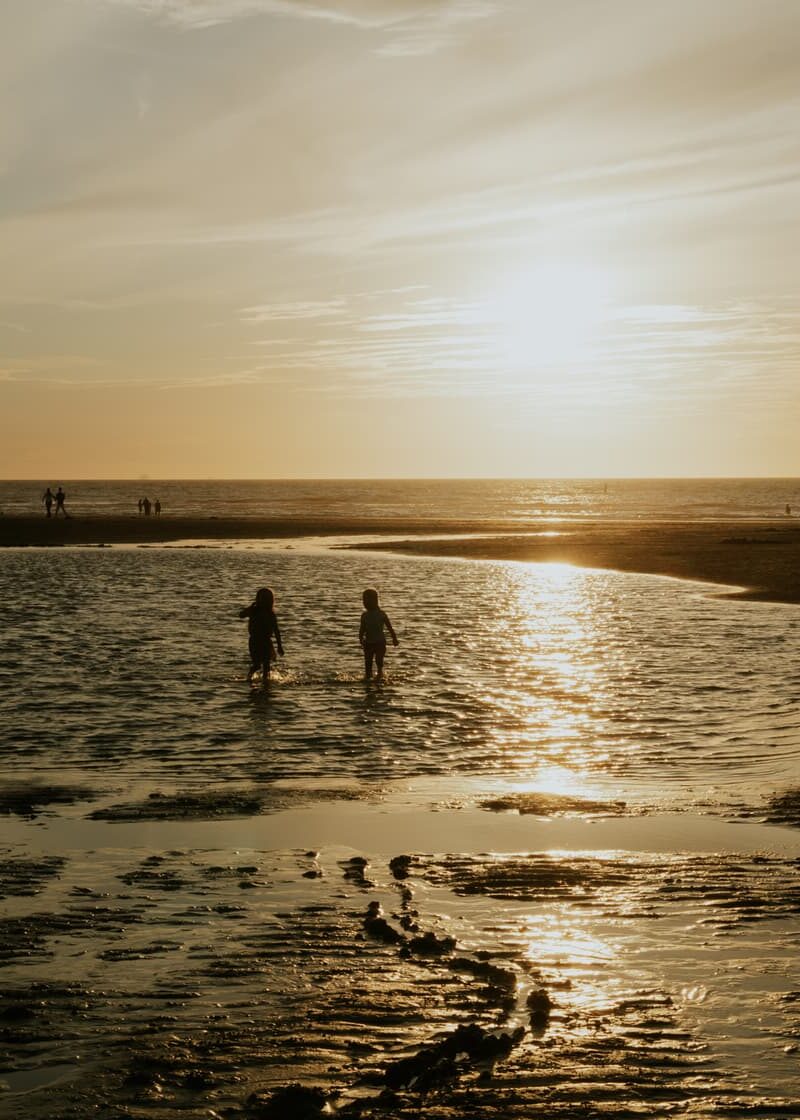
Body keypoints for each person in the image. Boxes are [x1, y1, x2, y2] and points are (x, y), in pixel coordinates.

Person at [239, 587, 284, 682]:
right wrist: (250, 608)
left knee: (266, 665)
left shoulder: (270, 613)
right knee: (257, 664)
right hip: (255, 641)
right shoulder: (254, 611)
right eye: (261, 598)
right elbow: (241, 615)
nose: (263, 601)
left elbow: (276, 630)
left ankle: (266, 683)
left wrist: (279, 646)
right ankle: (249, 678)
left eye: (266, 599)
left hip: (266, 641)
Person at [359, 587, 398, 680]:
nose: (365, 602)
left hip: (380, 642)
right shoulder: (364, 615)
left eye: (368, 600)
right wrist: (360, 638)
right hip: (368, 643)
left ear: (375, 601)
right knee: (368, 662)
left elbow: (389, 627)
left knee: (378, 660)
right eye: (363, 600)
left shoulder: (381, 614)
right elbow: (362, 628)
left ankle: (380, 674)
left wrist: (394, 638)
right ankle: (368, 677)